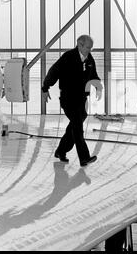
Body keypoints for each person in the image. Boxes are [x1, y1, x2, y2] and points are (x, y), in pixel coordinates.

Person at [42, 35, 103, 166]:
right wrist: (45, 88)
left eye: (91, 48)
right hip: (68, 98)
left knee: (76, 125)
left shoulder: (89, 59)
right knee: (77, 126)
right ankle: (84, 157)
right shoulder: (68, 57)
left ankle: (61, 150)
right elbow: (54, 71)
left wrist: (98, 86)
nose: (89, 50)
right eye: (87, 47)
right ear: (79, 45)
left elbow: (93, 74)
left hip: (81, 99)